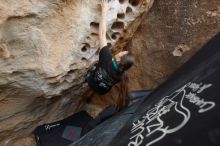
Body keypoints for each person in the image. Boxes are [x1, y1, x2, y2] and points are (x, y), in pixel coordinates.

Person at [75, 0, 134, 112]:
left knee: (90, 80)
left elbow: (102, 33)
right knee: (95, 87)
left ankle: (86, 93)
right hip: (102, 90)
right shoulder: (122, 75)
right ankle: (89, 95)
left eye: (122, 53)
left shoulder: (106, 58)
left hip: (92, 81)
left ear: (118, 59)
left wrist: (104, 10)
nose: (121, 51)